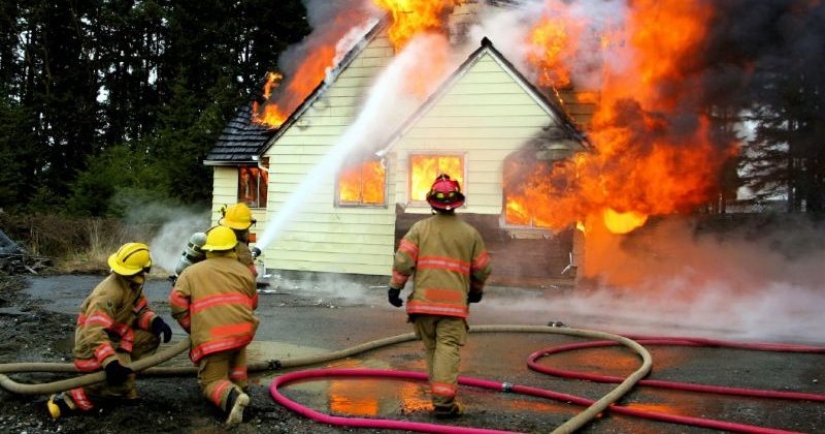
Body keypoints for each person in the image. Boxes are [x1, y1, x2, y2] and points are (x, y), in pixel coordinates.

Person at [387, 173, 492, 419]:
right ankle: (444, 404)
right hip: (453, 308)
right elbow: (482, 268)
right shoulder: (469, 234)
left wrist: (395, 288)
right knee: (446, 349)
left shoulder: (419, 229)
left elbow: (403, 261)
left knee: (434, 349)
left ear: (431, 202)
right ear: (458, 202)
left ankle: (439, 398)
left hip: (423, 306)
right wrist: (475, 291)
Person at [47, 242, 173, 419]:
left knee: (150, 338)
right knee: (116, 380)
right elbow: (94, 332)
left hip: (116, 339)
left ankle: (122, 381)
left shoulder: (131, 285)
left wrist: (155, 322)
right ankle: (73, 397)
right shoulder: (109, 293)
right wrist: (110, 362)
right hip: (92, 346)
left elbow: (140, 311)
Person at [169, 226, 259, 426]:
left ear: (207, 249)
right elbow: (253, 303)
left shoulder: (190, 273)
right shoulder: (245, 272)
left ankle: (234, 398)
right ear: (232, 249)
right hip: (242, 333)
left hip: (214, 338)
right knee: (236, 358)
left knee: (211, 381)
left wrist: (193, 328)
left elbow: (176, 304)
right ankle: (241, 385)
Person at [173, 203, 260, 279]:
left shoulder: (211, 232)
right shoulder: (241, 248)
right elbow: (252, 273)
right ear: (244, 228)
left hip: (198, 282)